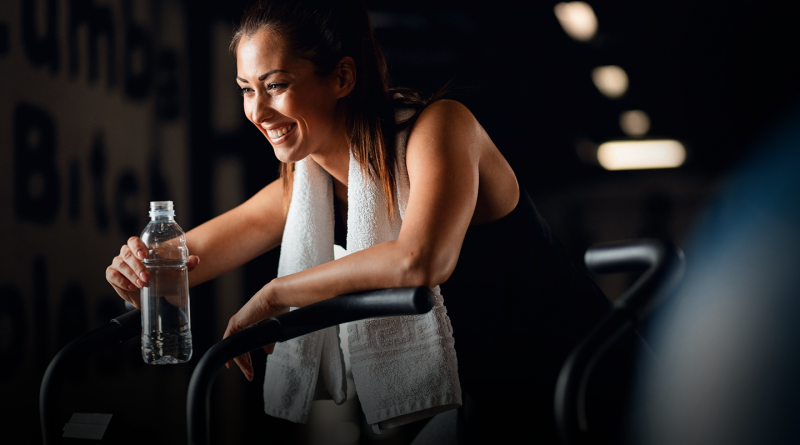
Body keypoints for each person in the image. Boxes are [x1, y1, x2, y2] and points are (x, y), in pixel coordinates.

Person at [105, 0, 609, 442]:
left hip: (587, 379)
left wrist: (279, 292)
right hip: (494, 402)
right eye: (245, 89)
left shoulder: (441, 127)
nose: (257, 111)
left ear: (343, 77)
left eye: (275, 85)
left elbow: (421, 260)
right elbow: (185, 262)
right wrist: (138, 271)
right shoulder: (303, 186)